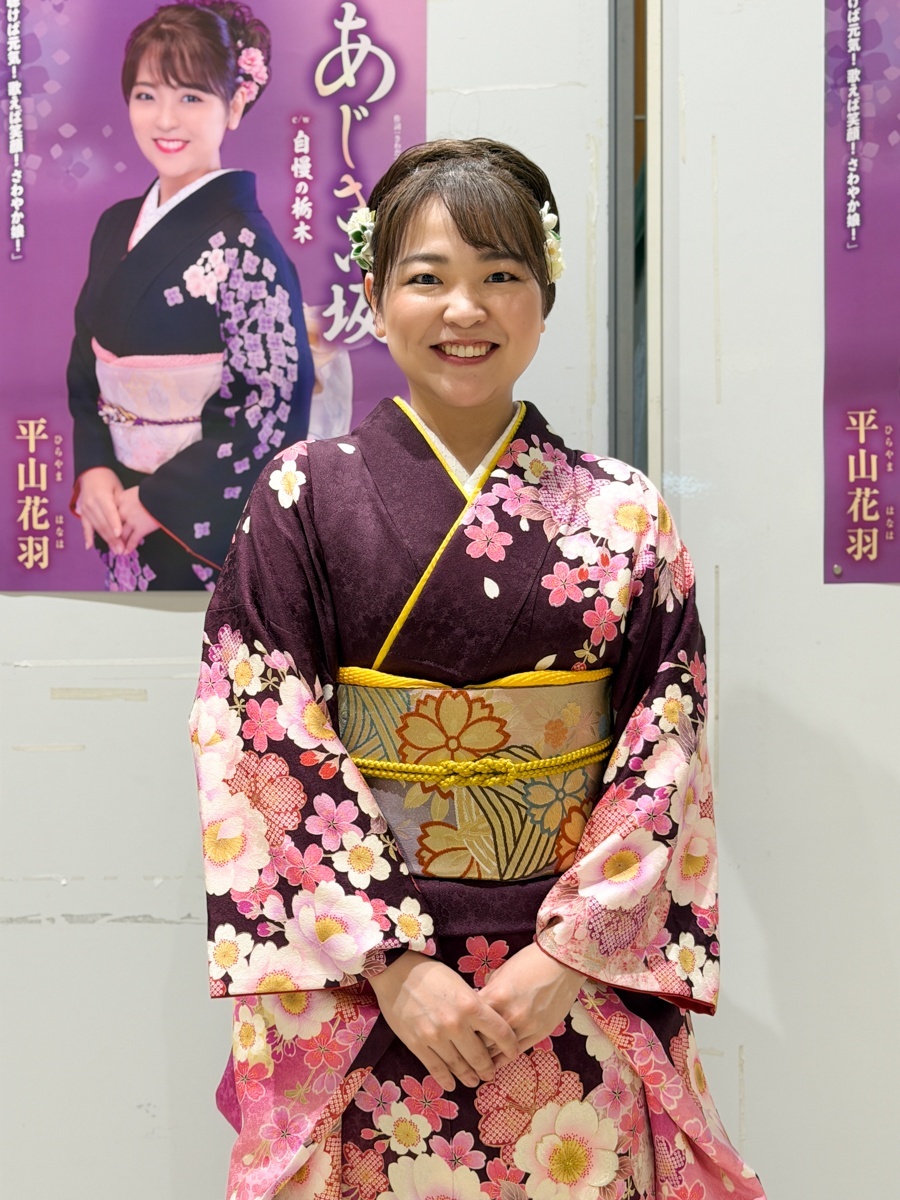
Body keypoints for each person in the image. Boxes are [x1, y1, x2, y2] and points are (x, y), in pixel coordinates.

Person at [191, 138, 766, 1200]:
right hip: (366, 986)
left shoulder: (622, 510)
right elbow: (257, 731)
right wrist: (389, 961)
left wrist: (571, 952)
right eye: (428, 277)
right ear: (375, 298)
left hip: (567, 982)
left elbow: (666, 745)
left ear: (543, 299)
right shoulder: (300, 496)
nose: (466, 309)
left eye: (501, 274)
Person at [68, 0, 313, 591]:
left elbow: (272, 406)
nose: (165, 119)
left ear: (235, 104)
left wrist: (156, 501)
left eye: (191, 97)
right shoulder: (115, 224)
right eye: (146, 94)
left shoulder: (247, 246)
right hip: (117, 505)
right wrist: (95, 467)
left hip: (188, 526)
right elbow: (84, 364)